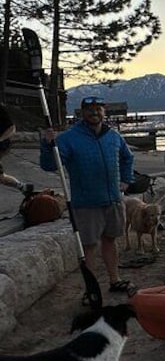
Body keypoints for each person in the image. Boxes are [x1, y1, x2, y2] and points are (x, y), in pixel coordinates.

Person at [40, 96, 135, 296]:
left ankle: (115, 280)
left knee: (110, 241)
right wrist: (47, 145)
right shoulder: (69, 138)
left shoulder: (114, 136)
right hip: (86, 204)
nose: (94, 112)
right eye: (89, 109)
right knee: (88, 247)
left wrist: (126, 179)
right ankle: (91, 290)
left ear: (104, 111)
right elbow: (49, 165)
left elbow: (128, 157)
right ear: (81, 113)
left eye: (98, 109)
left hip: (113, 200)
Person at [0, 103, 33, 195]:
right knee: (1, 177)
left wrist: (1, 139)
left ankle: (22, 186)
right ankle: (23, 187)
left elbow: (12, 128)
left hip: (2, 146)